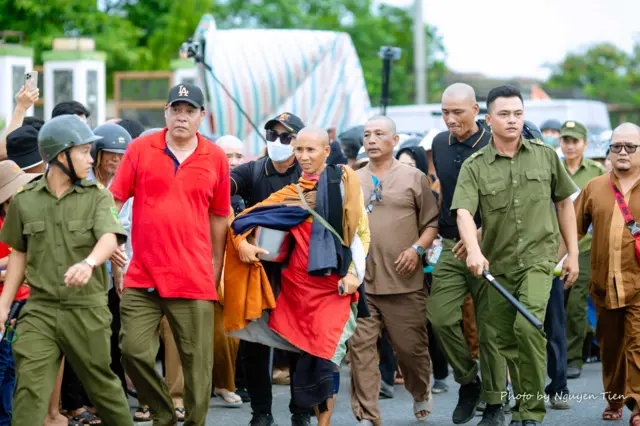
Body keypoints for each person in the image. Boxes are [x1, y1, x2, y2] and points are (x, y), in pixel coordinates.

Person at [451, 85, 580, 426]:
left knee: (528, 326)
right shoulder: (475, 165)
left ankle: (531, 413)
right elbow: (463, 211)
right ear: (488, 119)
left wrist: (573, 255)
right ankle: (523, 406)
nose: (512, 120)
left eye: (518, 113)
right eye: (505, 114)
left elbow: (565, 204)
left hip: (539, 260)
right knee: (504, 339)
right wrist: (474, 251)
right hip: (498, 263)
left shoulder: (545, 155)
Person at [225, 126, 369, 426]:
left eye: (310, 150)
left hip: (334, 286)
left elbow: (360, 234)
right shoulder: (290, 193)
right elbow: (244, 220)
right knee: (303, 355)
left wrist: (355, 274)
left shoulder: (343, 181)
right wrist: (242, 245)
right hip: (295, 287)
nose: (303, 156)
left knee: (327, 356)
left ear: (326, 151)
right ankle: (277, 413)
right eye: (299, 150)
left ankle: (319, 421)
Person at [109, 83, 230, 426]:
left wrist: (217, 267)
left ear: (201, 117)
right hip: (142, 273)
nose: (181, 116)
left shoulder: (216, 157)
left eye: (189, 111)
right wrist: (113, 240)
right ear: (165, 112)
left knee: (197, 364)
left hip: (193, 276)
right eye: (175, 109)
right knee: (132, 351)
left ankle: (194, 422)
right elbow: (113, 201)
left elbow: (219, 216)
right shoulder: (140, 148)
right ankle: (164, 414)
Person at [0, 114, 133, 426]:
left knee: (103, 388)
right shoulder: (24, 201)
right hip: (40, 310)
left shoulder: (96, 196)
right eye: (84, 151)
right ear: (61, 155)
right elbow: (19, 256)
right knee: (29, 391)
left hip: (86, 309)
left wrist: (90, 263)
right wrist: (4, 305)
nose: (91, 159)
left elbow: (109, 237)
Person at [350, 115, 439, 425]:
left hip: (405, 281)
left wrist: (417, 249)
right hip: (362, 282)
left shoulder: (414, 177)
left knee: (411, 351)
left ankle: (420, 390)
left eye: (379, 134)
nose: (371, 140)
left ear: (395, 140)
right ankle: (367, 415)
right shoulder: (352, 179)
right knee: (361, 352)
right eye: (367, 134)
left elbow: (431, 222)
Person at [427, 83, 507, 426]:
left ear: (476, 110)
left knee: (490, 330)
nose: (450, 119)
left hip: (489, 245)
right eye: (444, 112)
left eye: (457, 112)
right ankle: (468, 380)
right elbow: (444, 193)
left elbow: (506, 200)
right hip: (449, 245)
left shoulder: (495, 142)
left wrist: (476, 235)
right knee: (440, 317)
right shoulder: (438, 144)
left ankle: (494, 404)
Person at [229, 112, 312, 426]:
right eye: (272, 136)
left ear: (300, 142)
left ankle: (301, 411)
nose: (278, 143)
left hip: (298, 271)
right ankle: (261, 412)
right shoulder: (253, 170)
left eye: (286, 137)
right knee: (255, 345)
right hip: (258, 269)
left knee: (298, 344)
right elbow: (225, 187)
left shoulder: (308, 174)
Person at [574, 122, 640, 425]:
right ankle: (614, 398)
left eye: (630, 147)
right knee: (610, 346)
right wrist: (562, 258)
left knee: (638, 344)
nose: (623, 152)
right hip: (603, 285)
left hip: (639, 284)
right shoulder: (594, 187)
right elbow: (570, 228)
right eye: (617, 146)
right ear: (609, 151)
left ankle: (638, 405)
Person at [557, 120, 607, 380]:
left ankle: (574, 358)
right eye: (566, 140)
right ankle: (580, 338)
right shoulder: (554, 167)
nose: (569, 145)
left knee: (576, 304)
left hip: (585, 247)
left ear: (585, 144)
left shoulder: (596, 171)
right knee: (555, 304)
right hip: (555, 246)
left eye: (575, 141)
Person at [0, 160, 41, 425]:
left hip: (21, 304)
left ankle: (7, 418)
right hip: (5, 306)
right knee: (3, 364)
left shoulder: (18, 220)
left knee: (11, 367)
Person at [217, 135, 246, 215]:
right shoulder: (207, 188)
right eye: (227, 157)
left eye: (239, 157)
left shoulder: (252, 184)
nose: (234, 162)